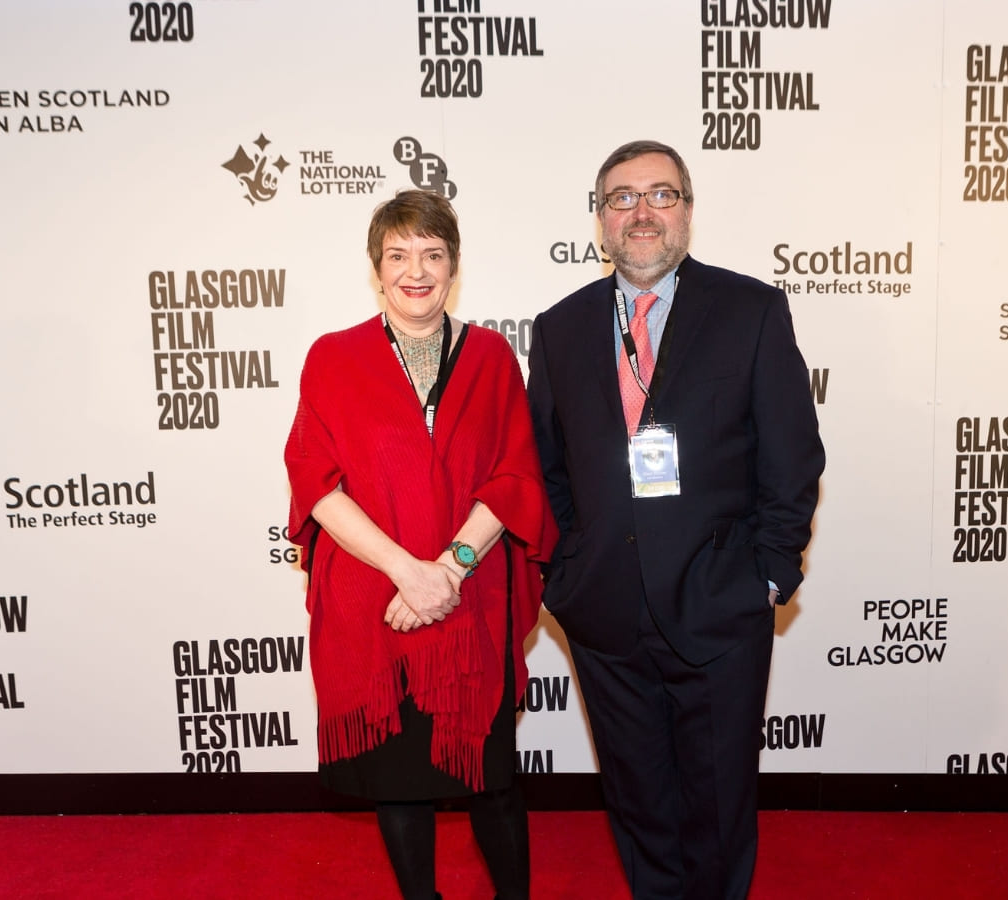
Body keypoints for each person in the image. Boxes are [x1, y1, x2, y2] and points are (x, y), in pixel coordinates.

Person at [526, 140, 824, 899]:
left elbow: (792, 459)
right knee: (638, 802)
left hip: (720, 604)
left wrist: (768, 573)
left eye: (661, 195)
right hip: (605, 614)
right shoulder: (559, 329)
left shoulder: (751, 310)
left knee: (718, 806)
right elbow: (547, 467)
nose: (642, 213)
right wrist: (569, 575)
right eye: (622, 198)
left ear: (687, 210)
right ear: (600, 220)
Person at [285, 189, 556, 900]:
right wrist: (408, 573)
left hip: (468, 600)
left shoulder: (494, 355)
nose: (416, 270)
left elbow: (516, 473)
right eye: (399, 255)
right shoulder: (333, 358)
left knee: (491, 779)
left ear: (454, 267)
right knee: (399, 782)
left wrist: (447, 570)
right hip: (379, 603)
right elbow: (315, 483)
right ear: (376, 269)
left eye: (432, 254)